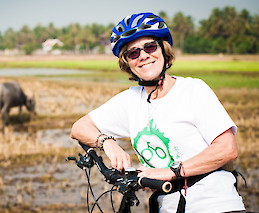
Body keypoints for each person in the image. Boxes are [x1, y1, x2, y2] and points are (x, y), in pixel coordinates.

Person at [70, 12, 245, 213]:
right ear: (127, 62)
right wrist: (107, 142)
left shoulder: (193, 90)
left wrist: (171, 172)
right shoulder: (130, 100)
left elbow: (227, 149)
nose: (143, 56)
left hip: (214, 204)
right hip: (166, 208)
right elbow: (79, 127)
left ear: (163, 50)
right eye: (133, 53)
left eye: (150, 47)